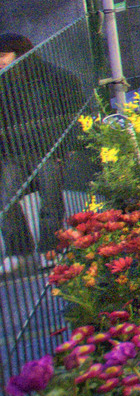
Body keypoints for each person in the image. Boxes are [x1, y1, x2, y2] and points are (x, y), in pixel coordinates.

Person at [0, 33, 82, 267]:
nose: (0, 61)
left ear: (20, 54)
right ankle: (18, 253)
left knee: (51, 202)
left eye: (4, 55)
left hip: (48, 149)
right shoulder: (3, 80)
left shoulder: (55, 77)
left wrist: (66, 146)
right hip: (11, 151)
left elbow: (72, 113)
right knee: (6, 202)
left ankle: (51, 249)